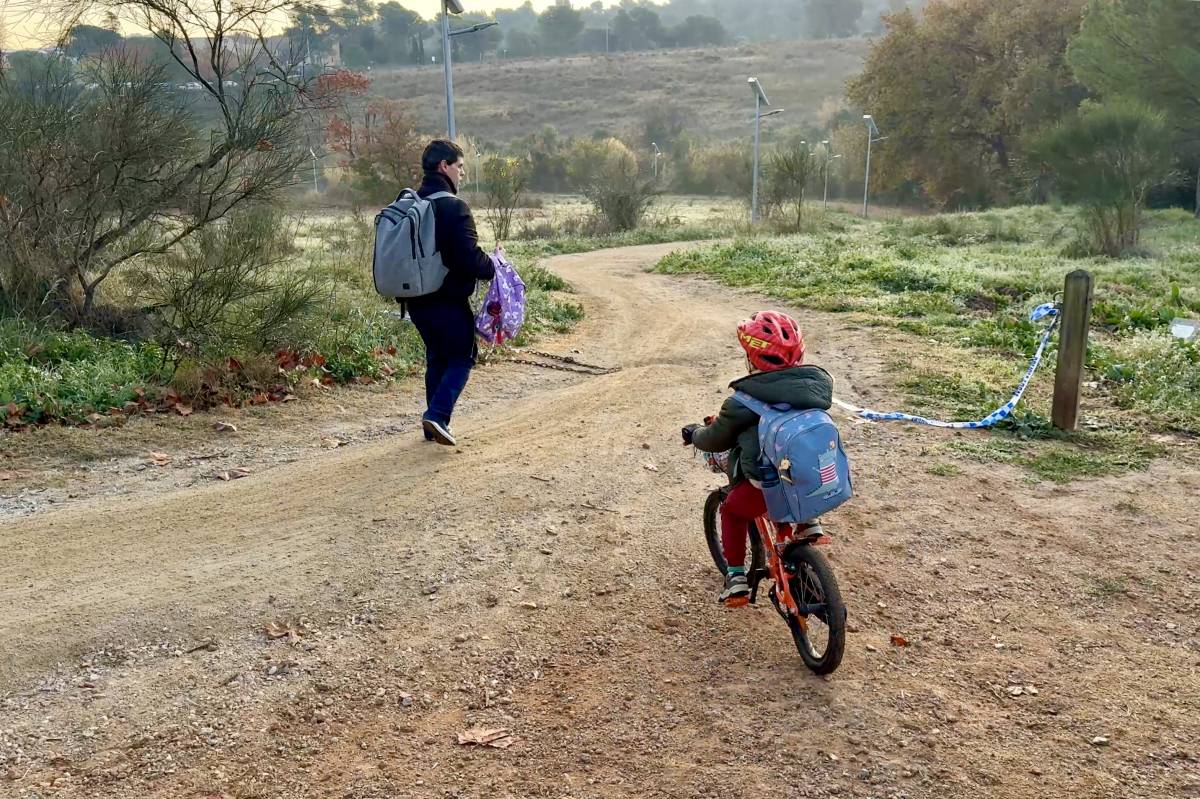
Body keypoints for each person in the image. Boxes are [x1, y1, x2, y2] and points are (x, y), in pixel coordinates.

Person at [682, 311, 833, 605]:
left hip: (763, 487)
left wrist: (695, 433)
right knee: (793, 471)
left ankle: (736, 577)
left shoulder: (742, 402)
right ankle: (808, 523)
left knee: (733, 510)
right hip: (814, 478)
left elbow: (716, 439)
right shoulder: (817, 388)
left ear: (751, 358)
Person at [406, 139, 495, 447]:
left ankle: (432, 422)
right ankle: (439, 415)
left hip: (414, 300)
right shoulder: (453, 206)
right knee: (462, 357)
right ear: (444, 166)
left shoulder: (412, 204)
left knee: (438, 358)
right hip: (447, 299)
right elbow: (467, 258)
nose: (462, 173)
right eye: (460, 166)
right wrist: (494, 265)